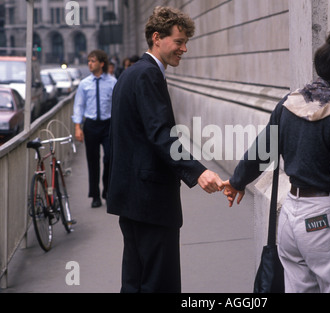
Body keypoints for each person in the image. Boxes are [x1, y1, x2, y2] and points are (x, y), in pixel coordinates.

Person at [223, 26, 330, 293]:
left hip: (290, 217)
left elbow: (262, 150)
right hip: (323, 222)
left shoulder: (290, 101)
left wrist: (237, 182)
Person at [107, 6, 224, 293]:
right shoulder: (148, 75)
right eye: (179, 41)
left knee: (135, 281)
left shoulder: (130, 73)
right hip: (150, 201)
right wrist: (198, 171)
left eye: (186, 42)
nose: (184, 49)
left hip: (131, 198)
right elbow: (160, 134)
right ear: (157, 37)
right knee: (159, 282)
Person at [73, 50, 117, 208]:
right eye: (89, 61)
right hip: (91, 125)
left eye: (93, 61)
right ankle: (95, 195)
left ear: (101, 63)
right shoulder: (84, 84)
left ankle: (107, 190)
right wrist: (78, 127)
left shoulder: (112, 82)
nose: (89, 64)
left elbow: (117, 105)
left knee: (110, 158)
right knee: (93, 161)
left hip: (108, 125)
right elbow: (78, 106)